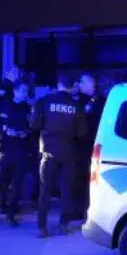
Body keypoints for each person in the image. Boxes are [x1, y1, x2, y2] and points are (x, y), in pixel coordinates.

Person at [30, 73, 87, 237]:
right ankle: (63, 225)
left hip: (48, 152)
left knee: (45, 190)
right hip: (69, 152)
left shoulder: (44, 102)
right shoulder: (77, 106)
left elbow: (34, 125)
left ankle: (42, 227)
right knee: (67, 190)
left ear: (59, 85)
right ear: (72, 87)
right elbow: (82, 132)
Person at [0, 81, 34, 226]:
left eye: (27, 91)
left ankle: (11, 215)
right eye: (23, 91)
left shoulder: (27, 108)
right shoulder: (4, 105)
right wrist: (5, 130)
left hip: (21, 150)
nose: (25, 94)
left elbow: (33, 127)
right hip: (4, 149)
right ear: (15, 91)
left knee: (17, 185)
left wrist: (26, 133)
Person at [72, 73, 105, 221]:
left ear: (91, 84)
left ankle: (87, 210)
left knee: (89, 179)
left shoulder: (99, 100)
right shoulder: (81, 100)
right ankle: (78, 210)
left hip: (92, 146)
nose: (79, 85)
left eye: (82, 82)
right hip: (80, 147)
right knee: (79, 178)